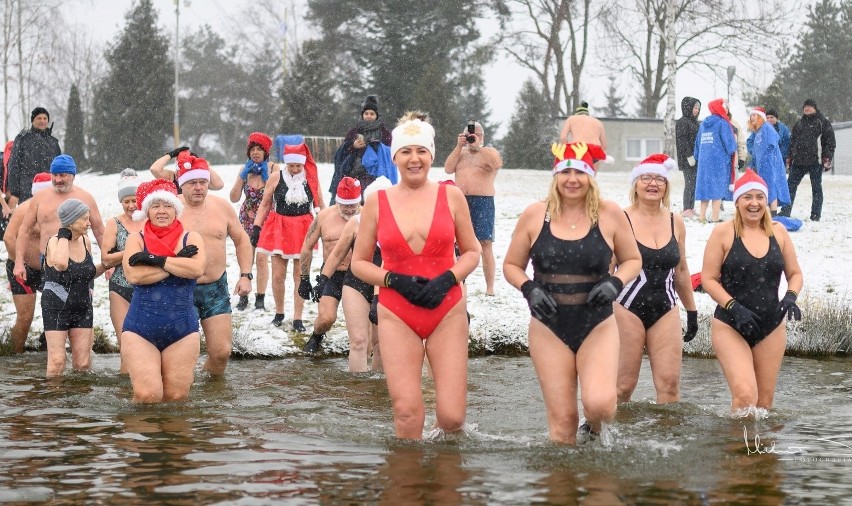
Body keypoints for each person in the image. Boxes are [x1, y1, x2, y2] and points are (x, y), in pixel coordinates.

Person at [351, 112, 481, 439]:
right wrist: (394, 280)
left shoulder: (451, 196)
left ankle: (442, 472)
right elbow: (359, 264)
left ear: (431, 155)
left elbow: (472, 252)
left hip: (447, 309)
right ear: (394, 156)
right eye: (406, 151)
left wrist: (447, 279)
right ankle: (408, 482)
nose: (414, 159)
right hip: (397, 311)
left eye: (421, 151)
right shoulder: (377, 202)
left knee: (451, 418)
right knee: (408, 414)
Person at [503, 142, 641, 443]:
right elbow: (512, 265)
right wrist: (529, 288)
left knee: (600, 405)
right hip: (548, 325)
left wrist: (615, 283)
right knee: (563, 422)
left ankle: (593, 431)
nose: (572, 179)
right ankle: (562, 482)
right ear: (555, 176)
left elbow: (632, 260)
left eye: (580, 171)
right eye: (565, 171)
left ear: (591, 176)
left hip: (597, 323)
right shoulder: (535, 215)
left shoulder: (609, 214)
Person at [701, 170, 803, 411]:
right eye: (747, 197)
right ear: (737, 201)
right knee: (746, 396)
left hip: (771, 325)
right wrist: (733, 307)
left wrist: (791, 297)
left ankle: (759, 449)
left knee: (764, 404)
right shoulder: (723, 233)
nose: (754, 203)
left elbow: (795, 274)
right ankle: (735, 448)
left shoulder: (779, 232)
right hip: (731, 323)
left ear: (766, 201)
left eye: (759, 197)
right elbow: (708, 279)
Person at [614, 154, 698, 404]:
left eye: (660, 179)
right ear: (635, 184)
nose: (653, 184)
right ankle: (606, 436)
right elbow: (607, 269)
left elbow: (682, 270)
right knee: (622, 387)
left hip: (666, 308)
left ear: (667, 185)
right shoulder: (620, 218)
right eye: (646, 178)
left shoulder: (676, 221)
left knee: (669, 386)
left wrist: (691, 311)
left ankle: (667, 440)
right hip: (625, 308)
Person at [121, 179, 206, 402]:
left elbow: (196, 269)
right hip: (141, 328)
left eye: (167, 206)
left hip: (182, 329)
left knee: (176, 397)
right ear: (147, 210)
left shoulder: (191, 238)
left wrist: (155, 260)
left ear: (176, 210)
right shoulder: (135, 239)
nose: (162, 211)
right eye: (156, 205)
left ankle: (170, 438)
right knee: (147, 394)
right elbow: (134, 276)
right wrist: (176, 262)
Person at [173, 151, 254, 375]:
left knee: (221, 353)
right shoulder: (170, 209)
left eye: (202, 182)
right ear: (182, 184)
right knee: (183, 355)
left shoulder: (222, 207)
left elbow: (242, 240)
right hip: (180, 287)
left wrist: (246, 275)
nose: (198, 187)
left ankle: (212, 400)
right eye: (192, 183)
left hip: (216, 287)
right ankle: (184, 400)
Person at [316, 177, 392, 371]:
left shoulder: (399, 224)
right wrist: (323, 279)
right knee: (358, 341)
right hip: (355, 283)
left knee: (381, 344)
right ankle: (357, 391)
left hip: (386, 287)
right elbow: (337, 254)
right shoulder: (357, 222)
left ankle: (377, 391)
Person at [251, 144, 317, 331]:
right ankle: (279, 313)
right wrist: (257, 227)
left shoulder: (310, 178)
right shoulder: (275, 177)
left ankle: (298, 318)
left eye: (298, 166)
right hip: (279, 226)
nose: (295, 169)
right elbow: (265, 205)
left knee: (300, 275)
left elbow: (320, 204)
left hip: (304, 227)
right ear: (286, 164)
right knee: (278, 275)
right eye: (292, 166)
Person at [13, 155, 105, 284]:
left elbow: (99, 231)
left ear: (73, 175)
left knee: (82, 302)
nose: (57, 179)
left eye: (62, 175)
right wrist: (18, 262)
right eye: (54, 175)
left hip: (81, 259)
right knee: (53, 302)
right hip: (50, 260)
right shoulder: (40, 198)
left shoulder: (85, 197)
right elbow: (24, 230)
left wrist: (108, 261)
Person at [298, 177, 363, 355]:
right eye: (345, 206)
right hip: (331, 275)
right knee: (326, 318)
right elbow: (307, 247)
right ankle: (317, 336)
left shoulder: (366, 217)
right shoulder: (324, 217)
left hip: (358, 275)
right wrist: (304, 279)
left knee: (361, 321)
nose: (349, 210)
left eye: (353, 205)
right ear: (337, 201)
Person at [42, 199, 105, 377]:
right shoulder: (55, 242)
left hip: (82, 306)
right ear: (71, 220)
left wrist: (108, 265)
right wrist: (64, 234)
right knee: (57, 362)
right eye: (84, 219)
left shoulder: (85, 241)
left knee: (83, 364)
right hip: (56, 307)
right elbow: (61, 264)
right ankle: (54, 401)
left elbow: (87, 273)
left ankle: (79, 402)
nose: (89, 223)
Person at [443, 121, 503, 296]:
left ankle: (490, 287)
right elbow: (448, 168)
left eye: (476, 134)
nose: (472, 137)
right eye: (470, 134)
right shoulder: (460, 153)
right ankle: (458, 280)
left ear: (482, 136)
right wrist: (458, 146)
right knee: (457, 244)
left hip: (483, 201)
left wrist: (479, 147)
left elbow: (496, 164)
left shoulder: (489, 152)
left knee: (485, 244)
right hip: (461, 201)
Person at [99, 169, 144, 372]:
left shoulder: (150, 221)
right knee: (125, 342)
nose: (131, 206)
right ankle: (126, 388)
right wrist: (130, 252)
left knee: (145, 343)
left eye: (134, 200)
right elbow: (106, 258)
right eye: (126, 201)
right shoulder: (114, 223)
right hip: (120, 288)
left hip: (146, 287)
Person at [230, 132, 279, 311]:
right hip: (246, 218)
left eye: (259, 149)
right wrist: (242, 176)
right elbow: (234, 198)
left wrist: (268, 179)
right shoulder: (246, 169)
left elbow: (279, 194)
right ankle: (244, 294)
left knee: (261, 258)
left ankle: (260, 297)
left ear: (266, 152)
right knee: (246, 257)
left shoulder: (274, 168)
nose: (256, 153)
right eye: (252, 149)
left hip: (266, 219)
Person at [3, 173, 52, 353]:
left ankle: (47, 347)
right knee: (25, 317)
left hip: (49, 269)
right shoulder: (25, 209)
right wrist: (20, 264)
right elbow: (9, 238)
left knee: (57, 313)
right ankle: (14, 355)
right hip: (22, 267)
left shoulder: (58, 209)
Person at [779, 99, 835, 222]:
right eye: (805, 107)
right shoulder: (799, 123)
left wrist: (827, 158)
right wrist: (790, 157)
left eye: (809, 106)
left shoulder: (823, 122)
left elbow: (830, 142)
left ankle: (815, 214)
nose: (807, 108)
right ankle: (785, 210)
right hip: (798, 162)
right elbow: (792, 142)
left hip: (815, 161)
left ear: (815, 108)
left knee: (816, 188)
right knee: (790, 187)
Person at [330, 95, 393, 199]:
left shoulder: (384, 133)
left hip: (377, 176)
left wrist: (377, 146)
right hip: (355, 175)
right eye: (366, 113)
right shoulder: (354, 132)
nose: (368, 116)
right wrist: (353, 146)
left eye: (372, 114)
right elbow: (343, 152)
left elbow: (390, 153)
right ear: (362, 115)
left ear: (377, 116)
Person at [6, 107, 61, 207]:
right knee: (29, 220)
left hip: (50, 189)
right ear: (32, 120)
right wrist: (14, 192)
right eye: (39, 118)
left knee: (49, 220)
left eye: (45, 118)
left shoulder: (53, 142)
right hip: (27, 190)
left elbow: (60, 168)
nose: (42, 121)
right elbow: (13, 166)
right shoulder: (23, 139)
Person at [693, 98, 737, 223]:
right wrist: (731, 150)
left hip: (704, 162)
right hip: (719, 161)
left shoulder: (703, 124)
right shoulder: (723, 123)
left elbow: (697, 144)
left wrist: (697, 156)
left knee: (705, 188)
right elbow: (730, 145)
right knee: (717, 189)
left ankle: (702, 216)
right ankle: (715, 217)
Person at [745, 107, 790, 215]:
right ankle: (767, 212)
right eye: (751, 115)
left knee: (770, 186)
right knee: (763, 188)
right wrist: (754, 164)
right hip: (761, 165)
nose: (752, 117)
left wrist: (767, 159)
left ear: (760, 117)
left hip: (770, 164)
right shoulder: (757, 131)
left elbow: (772, 143)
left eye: (755, 115)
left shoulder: (767, 127)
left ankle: (773, 213)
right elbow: (755, 150)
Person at [149, 146, 225, 191]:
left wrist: (200, 163)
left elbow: (219, 185)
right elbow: (154, 169)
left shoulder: (198, 178)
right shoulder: (172, 177)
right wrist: (171, 154)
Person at [675, 97, 701, 218]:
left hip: (696, 158)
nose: (696, 110)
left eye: (698, 108)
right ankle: (686, 208)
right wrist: (689, 156)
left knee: (694, 184)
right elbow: (682, 141)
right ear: (688, 107)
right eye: (695, 108)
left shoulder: (696, 122)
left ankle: (691, 207)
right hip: (687, 159)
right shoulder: (682, 122)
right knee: (689, 184)